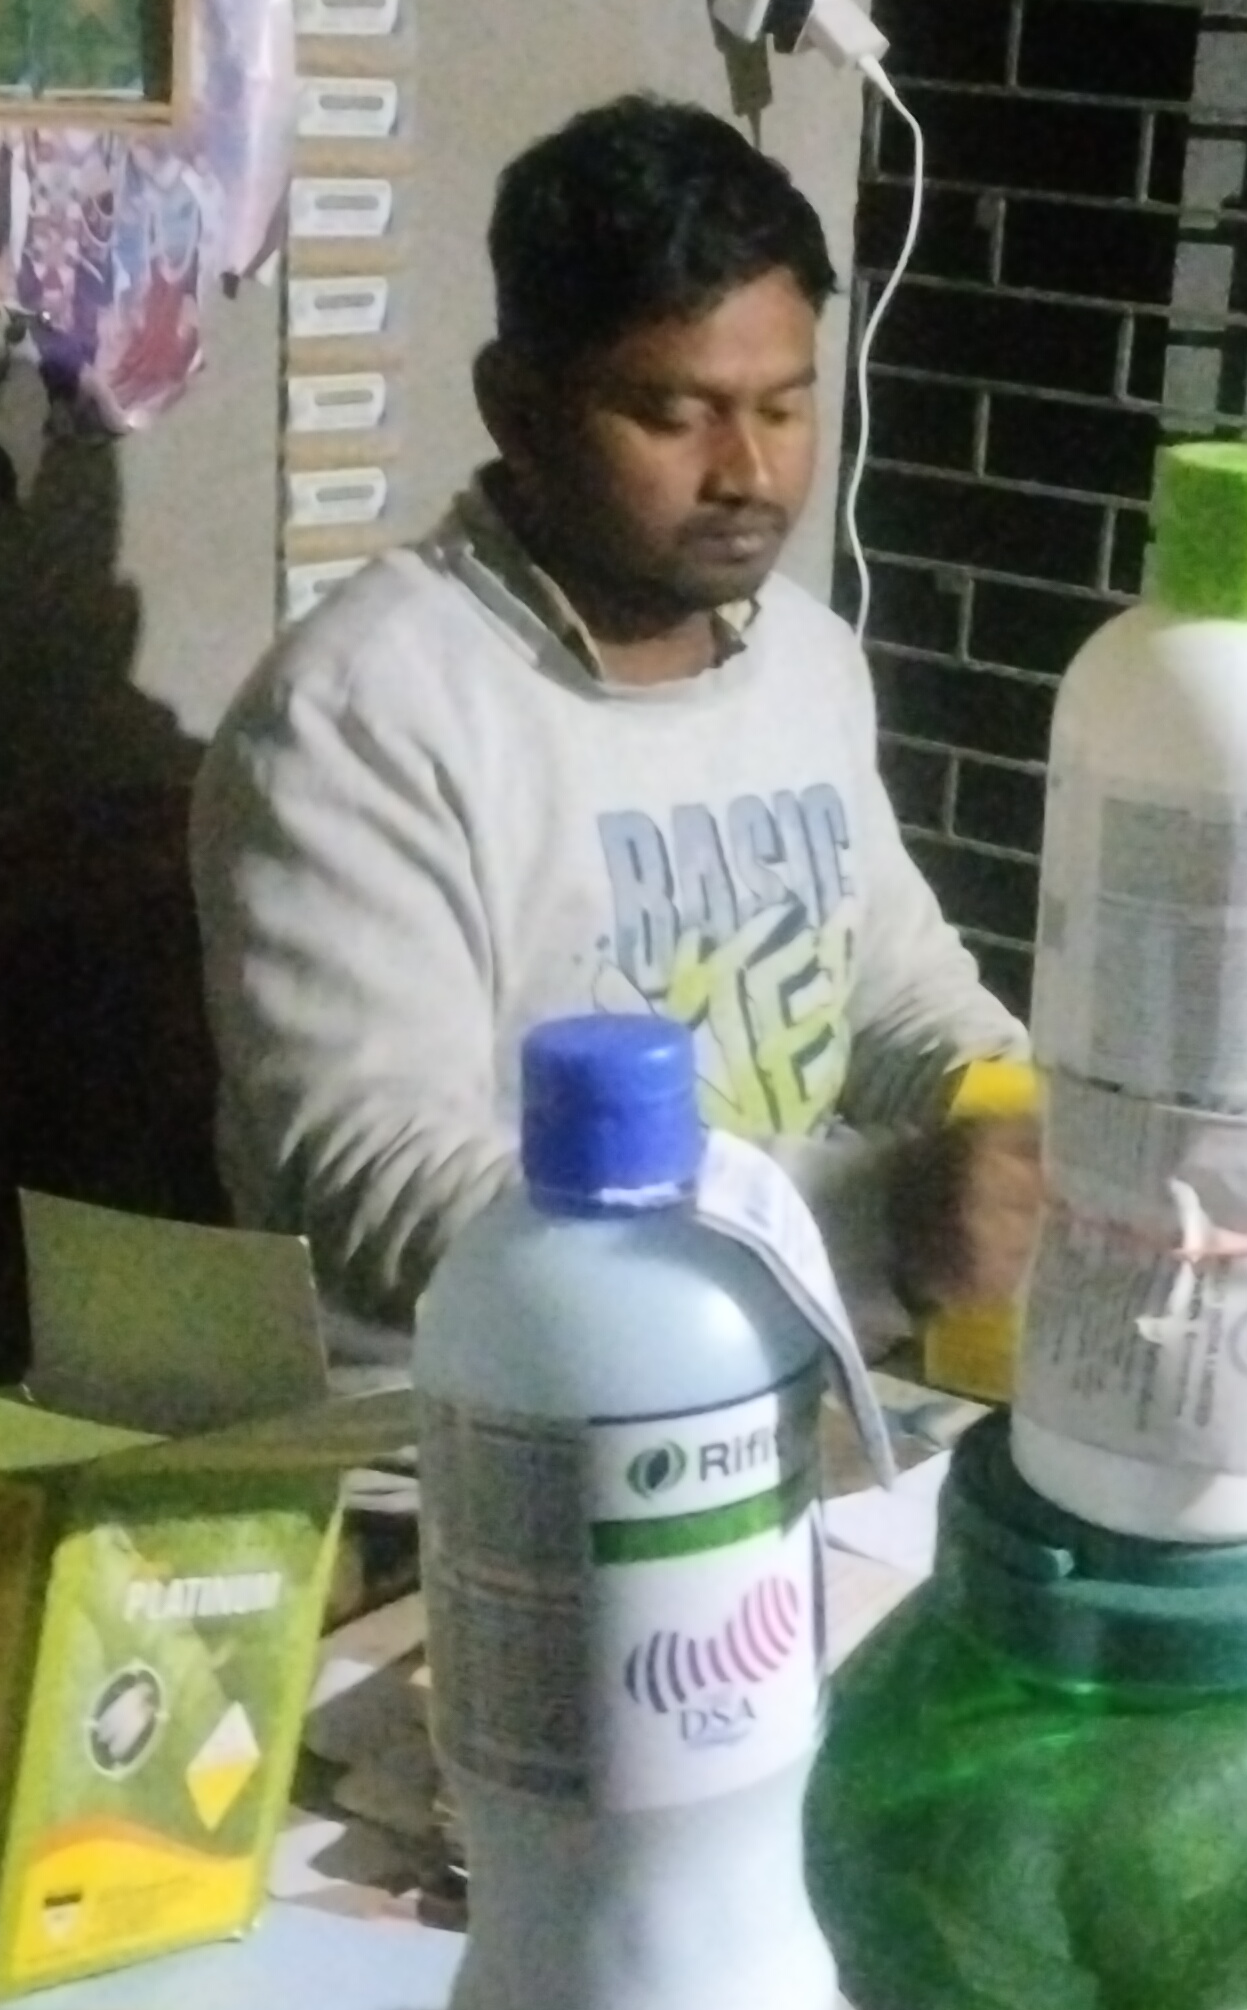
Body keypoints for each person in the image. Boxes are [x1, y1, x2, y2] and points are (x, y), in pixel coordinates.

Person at [192, 93, 1037, 1361]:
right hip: (476, 1418)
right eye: (676, 415)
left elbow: (898, 996)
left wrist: (1036, 1138)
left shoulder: (804, 659)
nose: (749, 474)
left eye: (785, 407)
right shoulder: (360, 718)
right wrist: (871, 1222)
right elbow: (378, 1188)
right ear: (516, 408)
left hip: (784, 1366)